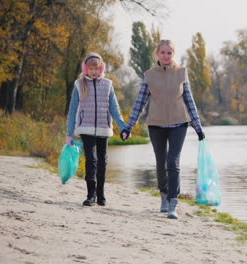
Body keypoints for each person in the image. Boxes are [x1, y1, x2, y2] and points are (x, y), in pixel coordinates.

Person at [121, 39, 205, 219]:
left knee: (173, 162)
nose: (166, 56)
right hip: (156, 125)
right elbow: (140, 103)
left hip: (179, 123)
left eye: (169, 52)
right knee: (161, 163)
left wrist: (197, 127)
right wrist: (129, 126)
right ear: (157, 54)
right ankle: (164, 195)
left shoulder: (182, 73)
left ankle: (173, 203)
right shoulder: (150, 75)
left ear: (173, 54)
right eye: (163, 52)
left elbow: (189, 101)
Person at [66, 52, 127, 207]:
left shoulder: (108, 84)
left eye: (96, 68)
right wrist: (69, 134)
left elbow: (114, 108)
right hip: (85, 128)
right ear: (86, 68)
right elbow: (72, 110)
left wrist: (122, 127)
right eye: (91, 68)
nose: (94, 71)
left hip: (103, 129)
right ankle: (90, 195)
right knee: (91, 160)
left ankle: (101, 195)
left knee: (102, 161)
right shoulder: (79, 85)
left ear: (101, 68)